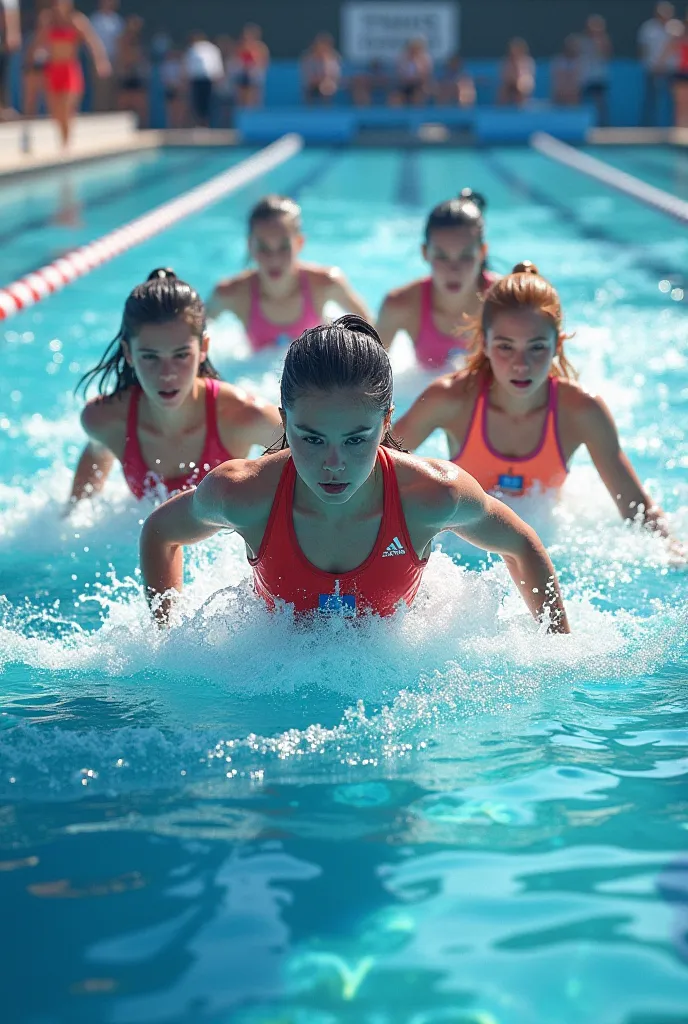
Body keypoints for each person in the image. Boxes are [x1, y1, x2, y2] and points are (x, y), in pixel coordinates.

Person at [140, 315, 570, 633]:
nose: (333, 463)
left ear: (385, 424)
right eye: (310, 439)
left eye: (354, 440)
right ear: (283, 421)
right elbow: (160, 532)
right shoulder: (244, 495)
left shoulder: (431, 496)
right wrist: (167, 640)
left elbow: (521, 545)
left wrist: (558, 653)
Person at [394, 263, 674, 541]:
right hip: (462, 545)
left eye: (537, 347)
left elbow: (638, 512)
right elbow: (375, 468)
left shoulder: (581, 412)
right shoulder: (449, 400)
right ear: (484, 344)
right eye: (506, 347)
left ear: (558, 346)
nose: (521, 365)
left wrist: (673, 549)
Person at [69, 269, 281, 506]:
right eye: (150, 357)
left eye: (181, 355)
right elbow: (93, 462)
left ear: (204, 348)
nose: (167, 373)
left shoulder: (247, 416)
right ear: (129, 353)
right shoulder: (106, 420)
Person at [207, 195, 371, 353]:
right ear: (250, 246)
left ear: (299, 243)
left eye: (284, 247)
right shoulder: (231, 294)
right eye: (264, 248)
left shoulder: (325, 284)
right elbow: (194, 337)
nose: (274, 259)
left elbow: (371, 332)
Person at [376, 189, 498, 370]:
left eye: (465, 256)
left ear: (482, 252)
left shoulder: (505, 302)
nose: (453, 270)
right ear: (425, 253)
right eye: (442, 256)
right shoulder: (400, 305)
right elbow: (367, 381)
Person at [33, 0, 110, 146]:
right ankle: (62, 140)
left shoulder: (77, 21)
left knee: (68, 107)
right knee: (55, 111)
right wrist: (34, 59)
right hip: (53, 69)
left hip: (70, 69)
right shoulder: (48, 21)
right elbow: (38, 42)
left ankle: (66, 144)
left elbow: (92, 42)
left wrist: (100, 61)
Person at [638, 2, 675, 125]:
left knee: (673, 100)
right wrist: (649, 65)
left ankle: (672, 126)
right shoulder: (648, 28)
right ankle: (648, 126)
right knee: (651, 100)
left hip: (671, 70)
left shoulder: (676, 28)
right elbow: (643, 49)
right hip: (652, 69)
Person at [578, 14, 612, 126]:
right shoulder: (582, 41)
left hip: (598, 76)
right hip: (585, 77)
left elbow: (607, 55)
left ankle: (603, 124)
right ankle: (583, 123)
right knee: (581, 101)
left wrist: (599, 41)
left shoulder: (603, 41)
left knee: (600, 102)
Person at [184, 31, 223, 128]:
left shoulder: (198, 49)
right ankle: (201, 123)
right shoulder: (209, 49)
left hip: (206, 79)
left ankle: (205, 123)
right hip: (199, 79)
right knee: (199, 102)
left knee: (206, 102)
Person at [89, 0, 122, 111]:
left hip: (115, 59)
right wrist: (98, 60)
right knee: (101, 89)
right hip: (100, 59)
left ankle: (112, 112)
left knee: (113, 89)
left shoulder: (117, 20)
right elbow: (92, 41)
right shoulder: (96, 19)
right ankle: (100, 113)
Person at [115, 14, 148, 127]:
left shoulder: (139, 40)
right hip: (126, 73)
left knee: (140, 103)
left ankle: (140, 126)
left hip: (136, 73)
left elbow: (140, 57)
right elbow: (122, 56)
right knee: (124, 101)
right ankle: (122, 126)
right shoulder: (123, 39)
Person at [662, 11, 688, 127]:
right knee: (680, 104)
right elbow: (667, 51)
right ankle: (679, 128)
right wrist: (660, 63)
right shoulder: (679, 36)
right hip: (682, 72)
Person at [390, 37, 433, 106]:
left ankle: (418, 116)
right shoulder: (402, 58)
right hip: (404, 84)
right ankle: (397, 116)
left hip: (419, 85)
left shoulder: (425, 58)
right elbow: (399, 74)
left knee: (418, 96)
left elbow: (425, 75)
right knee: (395, 97)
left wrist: (416, 62)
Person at [235, 23, 269, 107]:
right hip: (243, 73)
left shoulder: (260, 47)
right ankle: (242, 109)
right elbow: (237, 59)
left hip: (255, 73)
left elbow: (264, 61)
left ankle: (255, 109)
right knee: (242, 92)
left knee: (254, 92)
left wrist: (256, 68)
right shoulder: (241, 46)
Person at [301, 32, 341, 104]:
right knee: (311, 88)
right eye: (320, 45)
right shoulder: (308, 58)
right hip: (312, 84)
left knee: (326, 87)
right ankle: (309, 112)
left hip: (328, 84)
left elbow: (335, 75)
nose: (322, 48)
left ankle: (327, 110)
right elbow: (307, 77)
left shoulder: (333, 58)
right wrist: (319, 79)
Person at [498, 37, 535, 106]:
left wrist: (519, 81)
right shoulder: (506, 62)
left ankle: (522, 107)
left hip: (522, 85)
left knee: (522, 87)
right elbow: (504, 77)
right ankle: (501, 110)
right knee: (502, 90)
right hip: (509, 85)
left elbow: (528, 78)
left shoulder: (528, 61)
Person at [0, 0, 21, 119]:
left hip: (4, 42)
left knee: (4, 76)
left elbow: (12, 14)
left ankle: (3, 107)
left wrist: (13, 34)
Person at [551, 34, 581, 106]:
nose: (572, 49)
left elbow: (578, 82)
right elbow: (558, 81)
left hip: (574, 96)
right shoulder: (558, 61)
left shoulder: (580, 62)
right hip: (559, 95)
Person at [160, 46, 184, 129]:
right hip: (170, 88)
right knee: (170, 108)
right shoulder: (165, 65)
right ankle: (171, 125)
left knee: (179, 107)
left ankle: (179, 124)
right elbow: (164, 78)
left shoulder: (179, 65)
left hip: (178, 88)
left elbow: (182, 77)